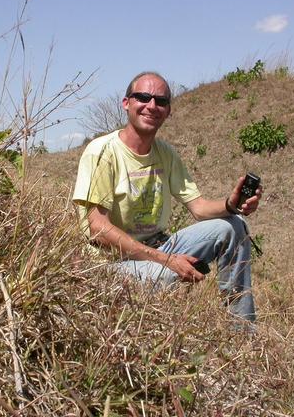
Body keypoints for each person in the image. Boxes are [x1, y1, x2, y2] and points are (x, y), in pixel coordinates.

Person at [72, 71, 262, 321]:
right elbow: (97, 227)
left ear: (168, 110)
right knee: (166, 274)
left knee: (235, 226)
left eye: (161, 101)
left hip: (159, 247)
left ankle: (242, 331)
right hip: (111, 263)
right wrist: (167, 260)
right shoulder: (103, 151)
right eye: (143, 97)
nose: (152, 106)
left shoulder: (165, 153)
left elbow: (199, 207)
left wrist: (231, 204)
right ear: (126, 103)